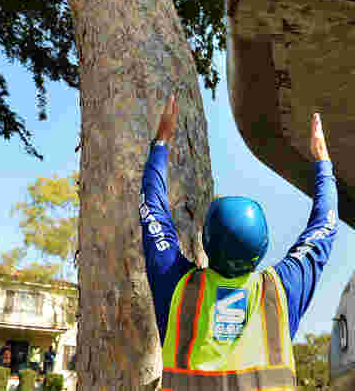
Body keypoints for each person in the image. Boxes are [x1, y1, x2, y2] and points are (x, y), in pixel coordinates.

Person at [140, 93, 337, 390]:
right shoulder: (280, 293)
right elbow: (324, 226)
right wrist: (323, 163)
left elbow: (152, 212)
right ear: (262, 248)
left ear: (206, 241)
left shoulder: (178, 290)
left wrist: (161, 143)